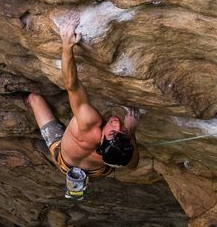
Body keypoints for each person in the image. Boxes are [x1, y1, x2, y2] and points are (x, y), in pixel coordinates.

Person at [26, 21, 140, 179]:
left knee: (34, 98)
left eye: (113, 130)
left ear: (101, 140)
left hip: (64, 161)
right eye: (123, 130)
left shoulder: (89, 123)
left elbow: (72, 86)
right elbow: (133, 165)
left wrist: (66, 45)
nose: (117, 122)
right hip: (96, 173)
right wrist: (131, 131)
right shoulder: (117, 154)